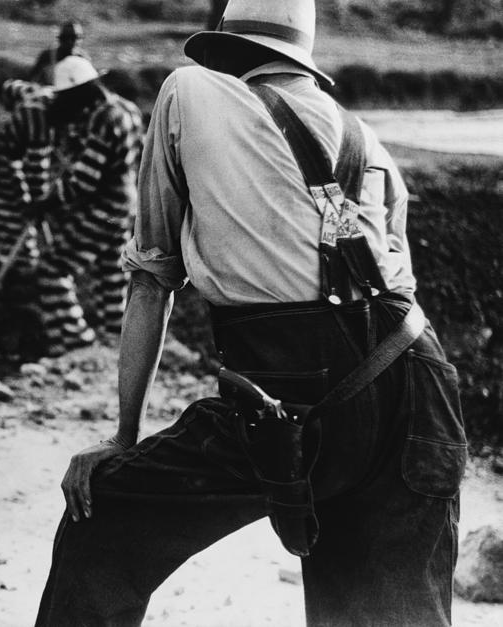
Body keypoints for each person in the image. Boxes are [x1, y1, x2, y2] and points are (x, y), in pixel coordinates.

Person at [35, 1, 467, 626]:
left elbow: (153, 282)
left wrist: (123, 439)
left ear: (226, 51)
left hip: (295, 384)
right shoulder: (367, 140)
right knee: (379, 613)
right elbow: (389, 284)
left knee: (102, 522)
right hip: (421, 386)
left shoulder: (188, 92)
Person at [32, 56, 144, 357]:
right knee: (111, 278)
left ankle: (78, 344)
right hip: (125, 208)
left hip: (103, 209)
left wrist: (48, 201)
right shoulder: (128, 109)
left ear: (82, 91)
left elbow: (85, 178)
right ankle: (116, 348)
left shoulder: (103, 117)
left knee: (52, 270)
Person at [0, 78, 54, 271]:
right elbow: (35, 166)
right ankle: (19, 268)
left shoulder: (39, 106)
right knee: (16, 217)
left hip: (2, 162)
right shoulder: (34, 115)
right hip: (3, 166)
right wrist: (37, 198)